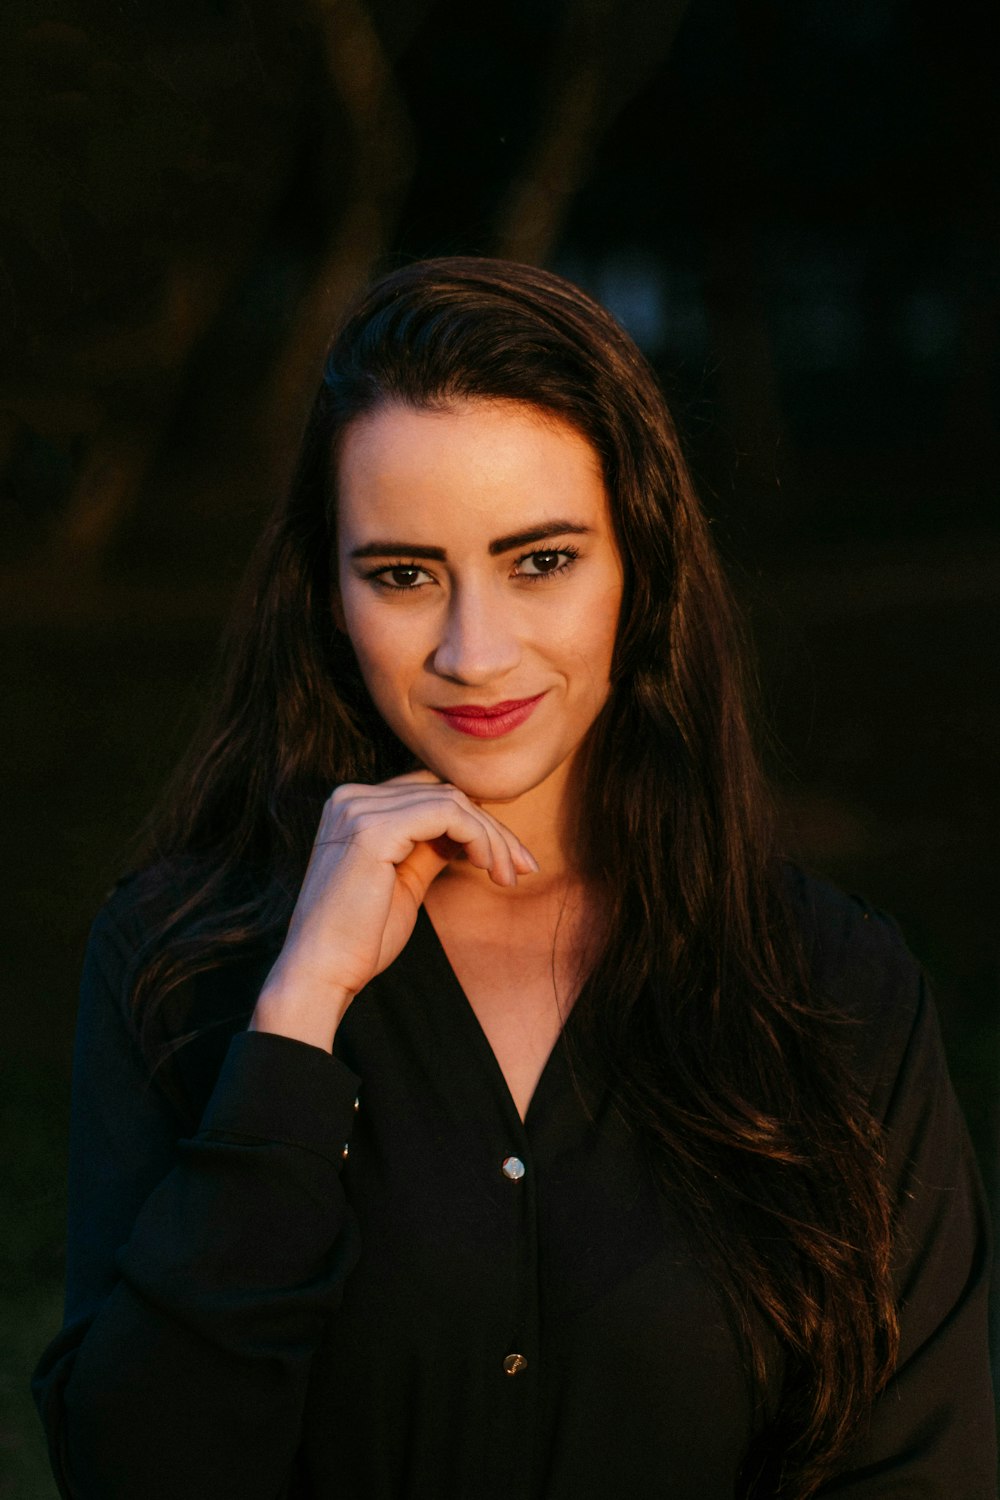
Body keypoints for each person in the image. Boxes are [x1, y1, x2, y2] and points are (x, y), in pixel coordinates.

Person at [33, 257, 995, 1499]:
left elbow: (919, 1467)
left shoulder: (834, 987)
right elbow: (135, 1469)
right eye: (403, 574)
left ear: (638, 567)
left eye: (539, 561)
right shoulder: (182, 962)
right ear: (327, 596)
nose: (473, 652)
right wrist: (298, 1014)